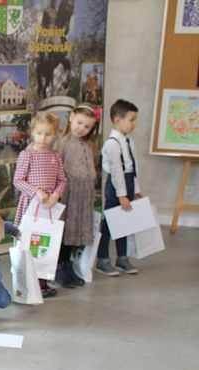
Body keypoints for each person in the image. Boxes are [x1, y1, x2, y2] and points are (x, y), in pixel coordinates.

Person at [12, 111, 68, 298]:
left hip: (49, 208)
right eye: (39, 133)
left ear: (55, 134)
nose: (43, 138)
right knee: (29, 243)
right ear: (32, 132)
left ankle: (42, 282)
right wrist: (36, 191)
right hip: (31, 206)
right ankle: (28, 283)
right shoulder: (27, 155)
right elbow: (18, 180)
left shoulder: (55, 156)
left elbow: (62, 180)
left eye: (48, 134)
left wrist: (57, 194)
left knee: (45, 244)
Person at [96, 99, 142, 277]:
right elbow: (116, 172)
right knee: (109, 224)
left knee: (125, 223)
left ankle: (122, 257)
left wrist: (136, 190)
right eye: (131, 120)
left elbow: (133, 168)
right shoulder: (112, 143)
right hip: (116, 186)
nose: (134, 124)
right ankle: (102, 259)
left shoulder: (128, 140)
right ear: (117, 120)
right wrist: (121, 195)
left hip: (128, 182)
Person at [55, 104, 100, 288]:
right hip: (68, 195)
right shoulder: (63, 143)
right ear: (72, 117)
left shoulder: (89, 146)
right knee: (64, 232)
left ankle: (68, 265)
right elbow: (57, 169)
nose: (81, 128)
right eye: (79, 123)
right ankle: (59, 267)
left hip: (82, 197)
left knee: (74, 234)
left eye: (87, 126)